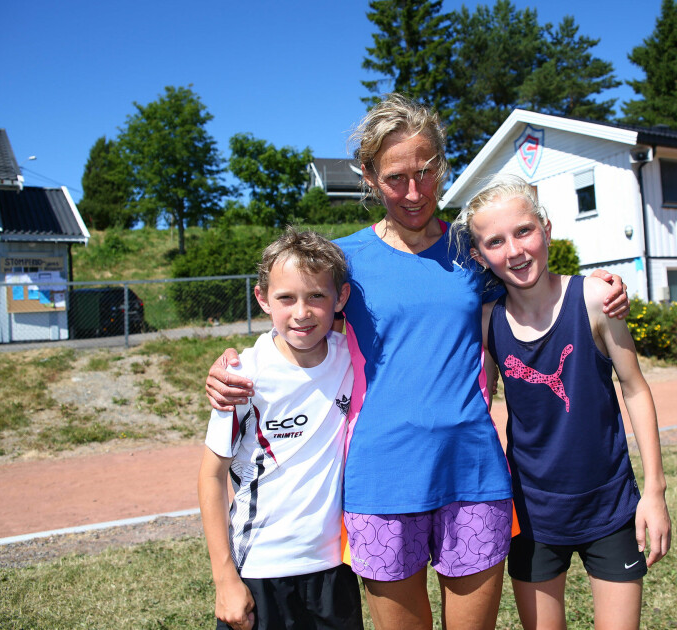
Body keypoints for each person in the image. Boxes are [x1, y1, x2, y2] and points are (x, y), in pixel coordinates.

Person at [204, 93, 631, 630]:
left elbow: (533, 282)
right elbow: (296, 326)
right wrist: (229, 366)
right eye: (395, 178)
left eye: (426, 172)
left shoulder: (470, 250)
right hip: (380, 484)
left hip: (473, 476)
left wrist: (603, 287)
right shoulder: (345, 262)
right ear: (367, 176)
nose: (414, 192)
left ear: (442, 165)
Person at [453, 175, 672, 630]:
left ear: (547, 230)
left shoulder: (595, 299)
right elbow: (476, 408)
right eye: (495, 241)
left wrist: (654, 491)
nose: (514, 250)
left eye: (524, 231)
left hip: (611, 506)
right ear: (479, 256)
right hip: (531, 514)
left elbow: (634, 388)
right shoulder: (487, 322)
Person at [197, 226, 363, 630]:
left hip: (333, 568)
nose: (301, 312)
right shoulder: (242, 375)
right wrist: (224, 579)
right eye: (285, 298)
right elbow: (211, 476)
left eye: (316, 297)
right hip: (259, 567)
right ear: (263, 299)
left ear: (340, 298)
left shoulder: (351, 359)